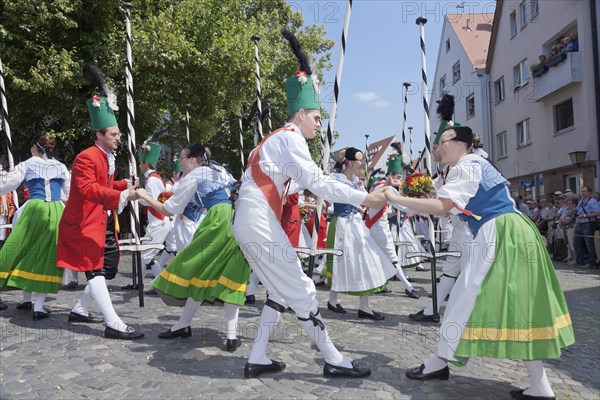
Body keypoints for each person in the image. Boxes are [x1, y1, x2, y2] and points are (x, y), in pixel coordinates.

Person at [231, 29, 388, 379]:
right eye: (317, 118)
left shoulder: (276, 139)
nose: (320, 124)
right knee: (301, 288)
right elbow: (318, 183)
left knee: (278, 289)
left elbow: (308, 184)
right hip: (256, 219)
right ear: (300, 114)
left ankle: (257, 356)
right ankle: (334, 359)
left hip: (254, 218)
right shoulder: (290, 139)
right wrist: (365, 196)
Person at [385, 126, 574, 400]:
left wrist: (393, 197)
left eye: (443, 142)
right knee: (520, 307)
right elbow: (439, 202)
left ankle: (439, 363)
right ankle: (540, 386)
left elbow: (442, 208)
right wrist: (403, 199)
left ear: (461, 144)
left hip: (497, 234)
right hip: (513, 232)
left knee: (465, 298)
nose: (439, 148)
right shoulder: (474, 164)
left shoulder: (466, 166)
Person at [57, 68, 143, 340]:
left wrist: (125, 186)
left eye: (119, 134)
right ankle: (113, 323)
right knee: (94, 271)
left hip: (99, 221)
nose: (119, 138)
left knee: (107, 269)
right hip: (82, 224)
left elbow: (103, 187)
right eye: (114, 134)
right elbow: (86, 189)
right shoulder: (86, 157)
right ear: (99, 134)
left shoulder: (105, 157)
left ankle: (81, 309)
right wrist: (121, 195)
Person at [137, 144, 248, 352]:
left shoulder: (193, 176)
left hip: (218, 220)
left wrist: (144, 195)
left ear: (193, 160)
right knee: (231, 275)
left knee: (198, 271)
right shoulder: (219, 170)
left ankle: (183, 325)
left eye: (183, 158)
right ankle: (227, 335)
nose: (179, 161)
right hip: (237, 218)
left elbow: (169, 209)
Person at [0, 135, 70, 320]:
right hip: (56, 212)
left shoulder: (27, 164)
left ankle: (24, 297)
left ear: (34, 147)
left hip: (34, 210)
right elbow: (70, 194)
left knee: (20, 250)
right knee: (46, 256)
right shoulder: (61, 167)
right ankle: (38, 307)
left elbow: (7, 184)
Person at [324, 147, 399, 319]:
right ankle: (332, 300)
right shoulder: (336, 179)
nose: (362, 163)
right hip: (342, 224)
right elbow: (331, 198)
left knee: (365, 261)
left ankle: (364, 307)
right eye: (360, 160)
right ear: (350, 163)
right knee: (341, 262)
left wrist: (386, 188)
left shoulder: (357, 180)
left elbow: (368, 198)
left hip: (357, 224)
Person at [135, 141, 171, 293]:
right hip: (157, 220)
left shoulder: (153, 180)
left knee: (145, 256)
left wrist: (138, 195)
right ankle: (142, 283)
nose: (139, 165)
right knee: (146, 255)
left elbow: (155, 200)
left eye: (141, 163)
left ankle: (161, 284)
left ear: (146, 164)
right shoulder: (153, 179)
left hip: (158, 221)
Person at [573, 186, 600, 267]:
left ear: (589, 192)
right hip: (579, 224)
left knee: (589, 244)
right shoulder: (581, 201)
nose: (582, 193)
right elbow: (577, 211)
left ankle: (591, 263)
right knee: (576, 244)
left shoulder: (593, 201)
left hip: (588, 224)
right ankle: (580, 262)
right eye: (581, 191)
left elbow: (597, 213)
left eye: (584, 191)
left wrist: (584, 215)